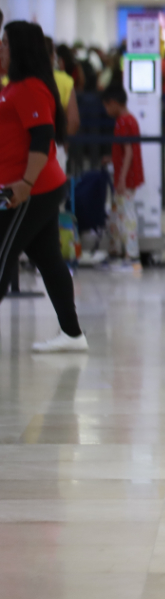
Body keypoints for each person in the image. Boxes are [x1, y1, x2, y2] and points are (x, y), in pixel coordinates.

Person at [0, 20, 86, 353]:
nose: (1, 48)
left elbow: (43, 136)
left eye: (5, 43)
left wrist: (25, 183)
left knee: (2, 254)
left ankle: (72, 333)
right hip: (25, 184)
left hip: (30, 188)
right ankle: (72, 334)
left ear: (19, 48)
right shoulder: (13, 86)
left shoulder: (32, 87)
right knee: (49, 259)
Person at [101, 85, 143, 267]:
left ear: (113, 103)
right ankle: (118, 249)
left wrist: (121, 179)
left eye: (106, 106)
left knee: (126, 214)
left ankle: (131, 253)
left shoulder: (124, 122)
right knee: (118, 213)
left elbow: (128, 153)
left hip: (126, 177)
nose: (106, 110)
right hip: (128, 175)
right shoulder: (129, 120)